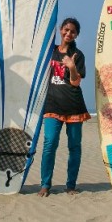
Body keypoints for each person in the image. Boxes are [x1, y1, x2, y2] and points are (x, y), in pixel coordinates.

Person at [38, 18, 89, 197]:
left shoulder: (78, 55)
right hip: (52, 105)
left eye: (72, 32)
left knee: (74, 147)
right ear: (60, 30)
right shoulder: (50, 51)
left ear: (76, 35)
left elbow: (75, 82)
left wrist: (72, 67)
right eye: (66, 30)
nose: (68, 33)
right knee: (49, 144)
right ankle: (45, 184)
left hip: (74, 106)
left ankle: (71, 185)